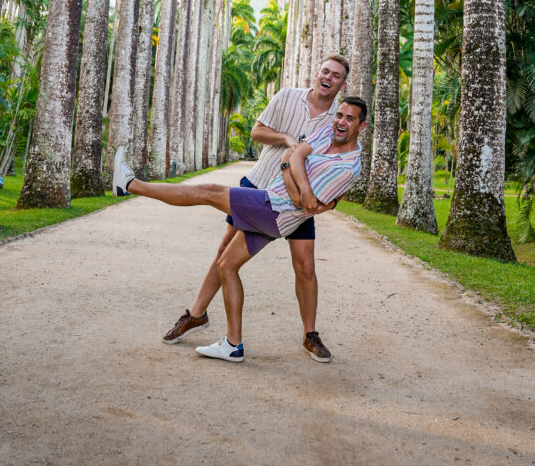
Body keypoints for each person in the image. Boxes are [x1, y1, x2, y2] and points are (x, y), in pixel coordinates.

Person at [112, 96, 366, 364]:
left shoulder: (347, 168)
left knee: (208, 192)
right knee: (226, 265)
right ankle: (233, 345)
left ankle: (130, 185)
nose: (341, 121)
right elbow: (299, 156)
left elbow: (303, 201)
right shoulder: (328, 131)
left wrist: (287, 169)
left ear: (361, 126)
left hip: (274, 208)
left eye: (350, 118)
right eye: (339, 115)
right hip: (273, 208)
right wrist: (297, 172)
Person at [162, 54, 349, 362]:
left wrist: (327, 200)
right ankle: (195, 314)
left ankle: (310, 335)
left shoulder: (336, 122)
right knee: (225, 253)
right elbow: (256, 132)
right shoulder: (288, 96)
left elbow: (335, 164)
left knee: (305, 266)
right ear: (317, 74)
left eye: (336, 75)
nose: (328, 77)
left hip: (298, 203)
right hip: (258, 185)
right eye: (325, 71)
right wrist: (285, 137)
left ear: (342, 84)